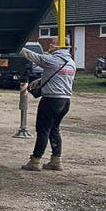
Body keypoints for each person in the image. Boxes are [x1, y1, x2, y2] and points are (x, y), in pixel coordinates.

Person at [19, 38, 76, 172]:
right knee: (54, 129)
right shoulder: (70, 62)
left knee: (43, 130)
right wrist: (40, 80)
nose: (50, 44)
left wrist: (17, 46)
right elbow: (60, 77)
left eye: (53, 42)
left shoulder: (52, 60)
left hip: (51, 100)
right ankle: (56, 161)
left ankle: (35, 161)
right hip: (65, 101)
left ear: (59, 46)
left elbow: (33, 56)